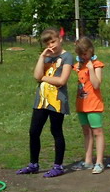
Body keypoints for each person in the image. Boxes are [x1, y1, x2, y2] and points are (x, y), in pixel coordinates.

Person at [16, 29, 73, 177]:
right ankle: (33, 164)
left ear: (60, 39)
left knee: (56, 131)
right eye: (48, 43)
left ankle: (58, 166)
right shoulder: (46, 56)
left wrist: (43, 78)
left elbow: (61, 81)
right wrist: (42, 57)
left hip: (57, 100)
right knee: (34, 131)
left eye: (53, 41)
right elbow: (36, 76)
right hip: (41, 100)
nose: (51, 45)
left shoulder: (67, 56)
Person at [71, 37, 105, 174]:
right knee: (86, 132)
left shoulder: (96, 64)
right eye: (80, 54)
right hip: (81, 103)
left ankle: (100, 162)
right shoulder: (79, 65)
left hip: (94, 104)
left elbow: (97, 84)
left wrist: (90, 69)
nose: (83, 57)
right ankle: (88, 160)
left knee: (97, 132)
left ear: (91, 50)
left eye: (85, 54)